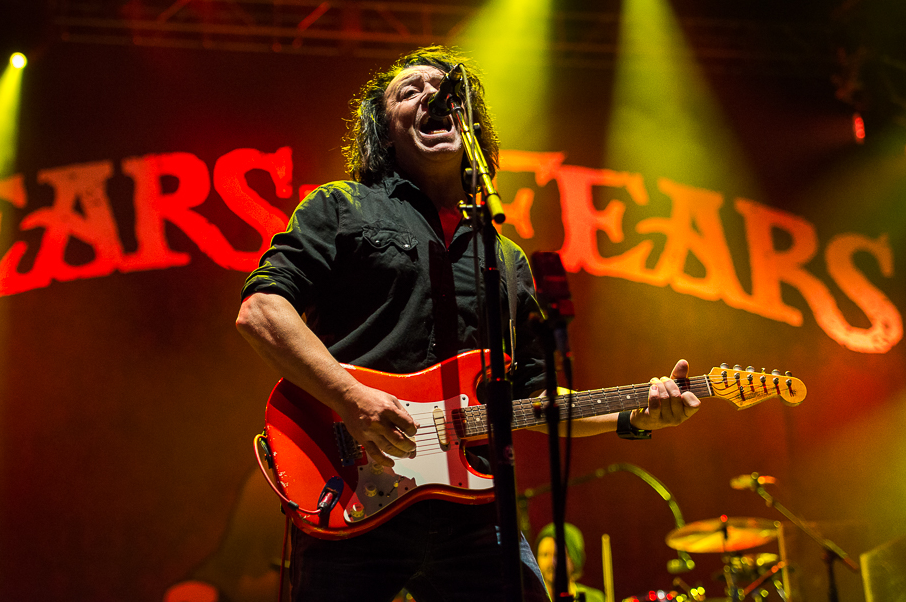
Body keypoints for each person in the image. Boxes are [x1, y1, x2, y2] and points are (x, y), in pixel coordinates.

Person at [236, 45, 701, 602]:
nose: (432, 95)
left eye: (445, 91)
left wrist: (634, 414)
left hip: (475, 508)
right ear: (384, 134)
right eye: (410, 91)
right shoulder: (342, 208)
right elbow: (261, 309)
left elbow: (536, 401)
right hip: (354, 486)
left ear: (470, 125)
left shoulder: (504, 258)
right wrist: (351, 398)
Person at [535, 523, 605, 602]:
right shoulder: (529, 598)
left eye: (558, 555)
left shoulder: (595, 599)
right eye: (545, 555)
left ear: (574, 559)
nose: (551, 562)